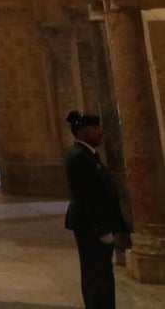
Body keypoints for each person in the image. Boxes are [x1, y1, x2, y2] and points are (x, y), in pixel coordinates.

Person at [64, 109, 128, 309]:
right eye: (94, 128)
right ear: (82, 131)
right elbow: (88, 197)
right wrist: (102, 230)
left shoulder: (86, 154)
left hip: (93, 224)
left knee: (100, 273)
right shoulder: (78, 157)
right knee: (96, 275)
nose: (100, 132)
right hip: (91, 227)